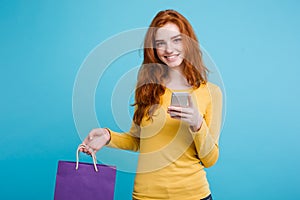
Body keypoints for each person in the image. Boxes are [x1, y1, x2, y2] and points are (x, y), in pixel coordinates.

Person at [80, 9, 222, 200]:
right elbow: (139, 141)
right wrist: (108, 136)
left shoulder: (211, 93)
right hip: (146, 196)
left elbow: (210, 159)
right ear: (153, 49)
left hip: (194, 195)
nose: (169, 49)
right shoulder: (147, 89)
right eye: (160, 43)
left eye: (176, 40)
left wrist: (197, 124)